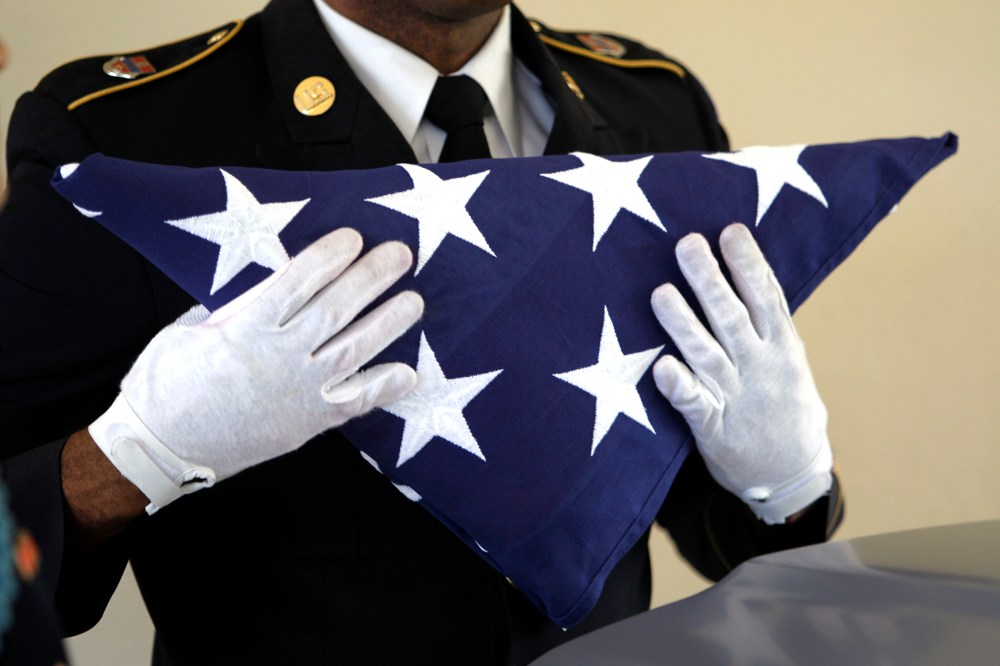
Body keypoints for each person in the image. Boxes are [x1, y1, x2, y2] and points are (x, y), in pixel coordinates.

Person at [0, 1, 843, 663]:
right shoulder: (124, 130)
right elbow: (16, 551)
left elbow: (721, 527)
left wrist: (786, 480)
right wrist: (138, 453)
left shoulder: (654, 103)